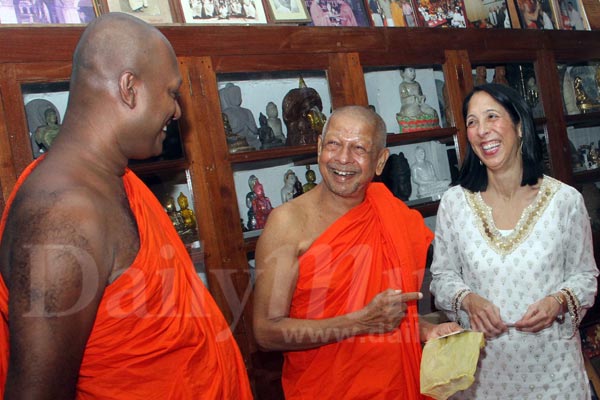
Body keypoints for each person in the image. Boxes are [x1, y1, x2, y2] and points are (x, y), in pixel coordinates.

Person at [0, 13, 252, 399]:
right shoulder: (61, 215)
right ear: (129, 88)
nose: (178, 111)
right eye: (171, 92)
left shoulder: (115, 180)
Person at [253, 105, 460, 400]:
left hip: (397, 386)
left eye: (359, 148)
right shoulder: (288, 223)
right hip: (327, 388)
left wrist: (424, 330)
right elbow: (266, 332)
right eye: (334, 144)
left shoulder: (392, 212)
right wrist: (359, 322)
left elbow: (386, 315)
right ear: (319, 148)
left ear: (379, 161)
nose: (343, 159)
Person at [430, 83, 599, 399]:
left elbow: (585, 277)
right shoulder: (455, 203)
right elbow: (441, 277)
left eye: (492, 117)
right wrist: (468, 298)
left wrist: (558, 300)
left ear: (519, 126)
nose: (482, 131)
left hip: (554, 376)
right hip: (482, 377)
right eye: (472, 122)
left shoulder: (565, 201)